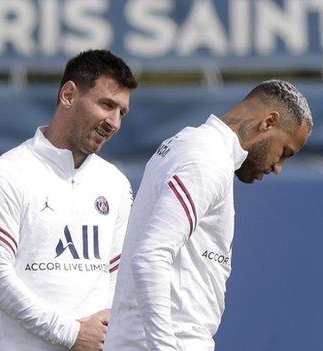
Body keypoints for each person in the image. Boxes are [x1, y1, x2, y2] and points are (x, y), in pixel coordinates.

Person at [104, 80, 313, 351]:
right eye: (284, 152)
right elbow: (150, 256)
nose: (278, 167)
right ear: (269, 122)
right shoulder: (207, 158)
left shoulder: (197, 148)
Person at [0, 49, 138, 351]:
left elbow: (120, 278)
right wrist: (71, 333)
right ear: (69, 95)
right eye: (106, 105)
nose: (114, 122)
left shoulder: (115, 184)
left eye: (121, 112)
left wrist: (104, 331)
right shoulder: (7, 174)